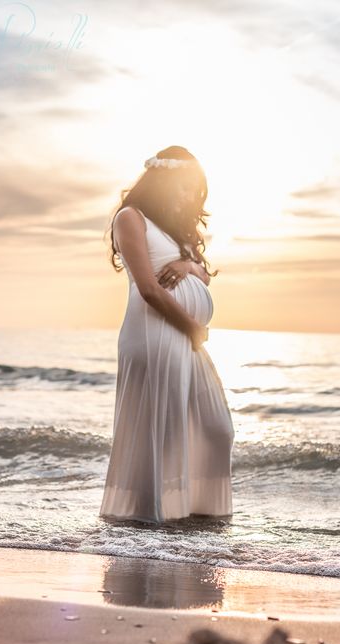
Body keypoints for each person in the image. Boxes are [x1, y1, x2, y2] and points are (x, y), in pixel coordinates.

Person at [99, 145, 234, 524]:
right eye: (187, 187)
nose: (191, 196)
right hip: (153, 335)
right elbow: (149, 289)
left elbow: (204, 275)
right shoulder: (131, 218)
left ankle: (196, 513)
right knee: (161, 433)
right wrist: (191, 325)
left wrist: (186, 263)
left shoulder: (177, 230)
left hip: (185, 341)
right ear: (166, 180)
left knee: (217, 427)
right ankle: (150, 521)